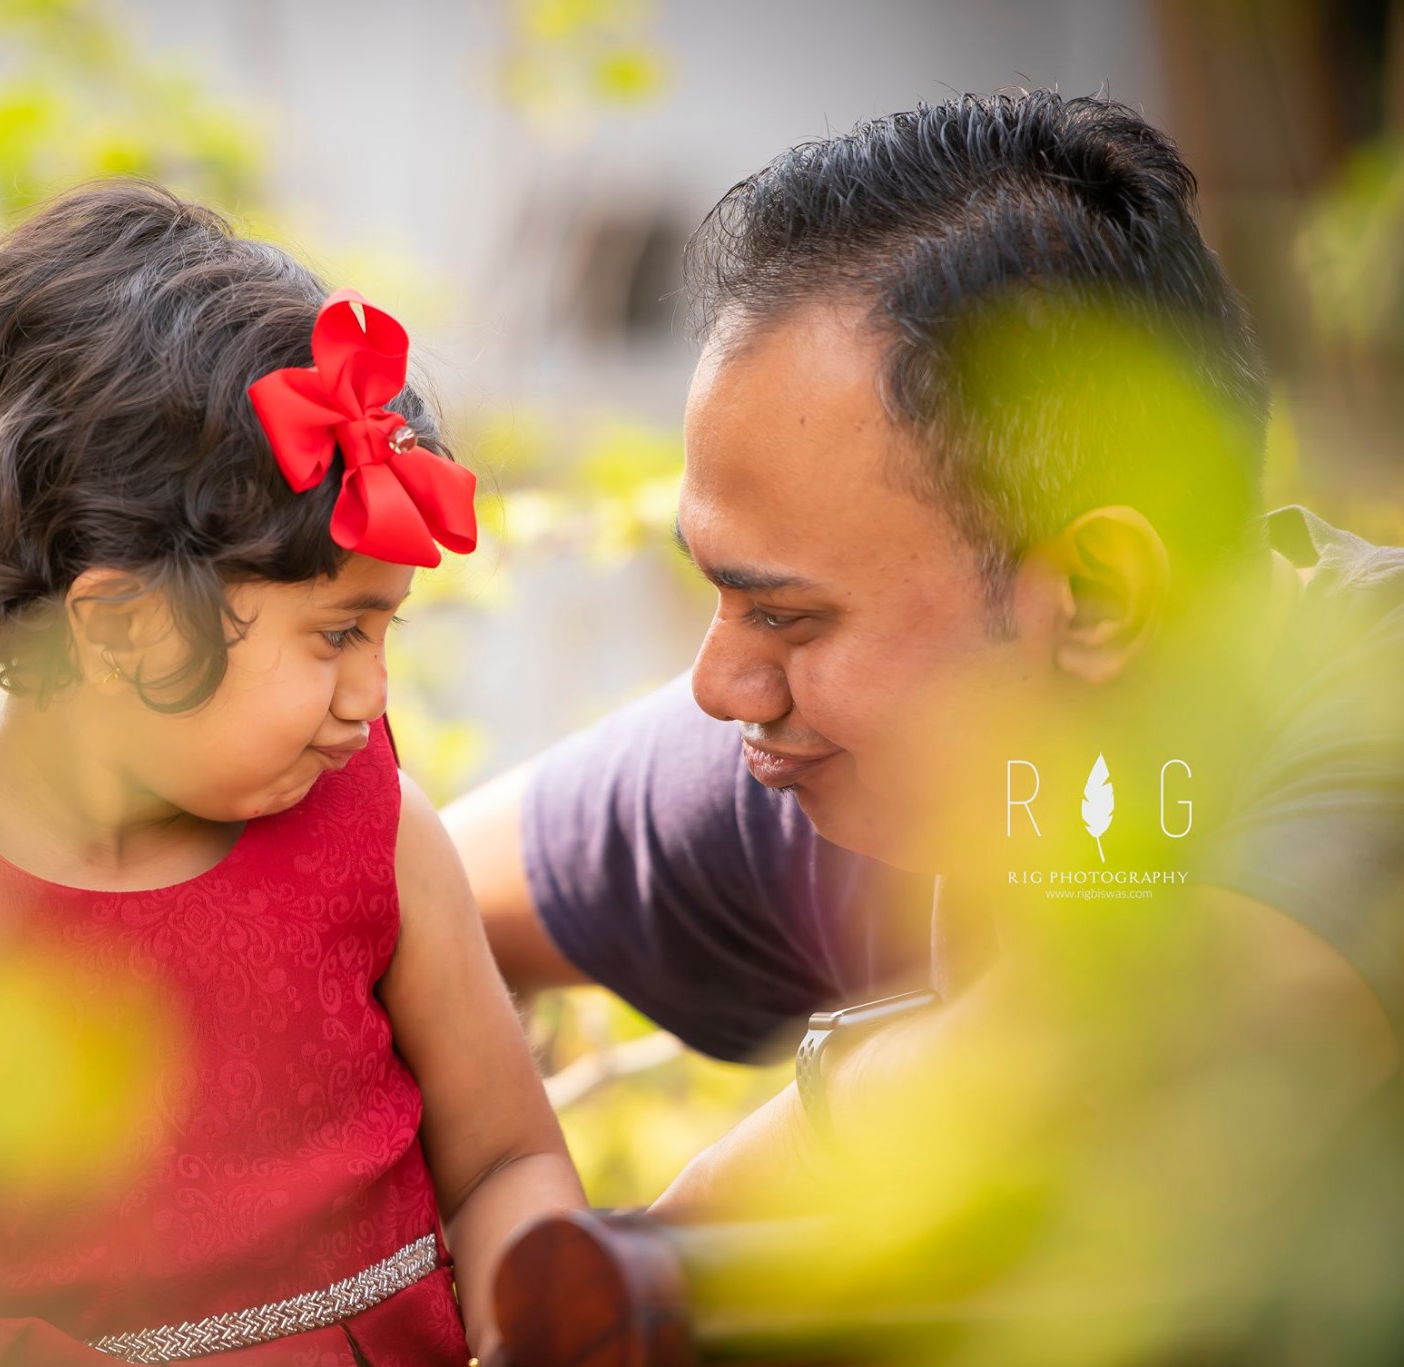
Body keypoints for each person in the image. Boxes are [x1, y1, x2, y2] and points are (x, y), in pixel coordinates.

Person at [448, 90, 1400, 1321]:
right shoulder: (854, 752)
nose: (717, 684)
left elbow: (1131, 1047)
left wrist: (622, 1280)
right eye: (721, 595)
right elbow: (402, 891)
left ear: (1098, 598)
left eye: (786, 614)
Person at [0, 181, 582, 1367]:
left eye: (387, 632)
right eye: (336, 635)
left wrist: (538, 1307)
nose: (371, 697)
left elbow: (504, 1160)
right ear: (124, 628)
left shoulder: (376, 835)